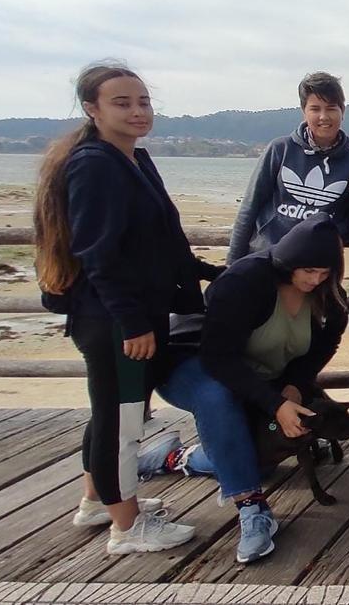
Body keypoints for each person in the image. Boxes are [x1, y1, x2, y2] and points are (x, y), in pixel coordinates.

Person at [33, 62, 219, 554]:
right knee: (122, 422)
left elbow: (164, 240)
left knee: (110, 413)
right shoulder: (93, 165)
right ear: (92, 109)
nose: (137, 111)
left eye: (143, 102)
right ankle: (127, 527)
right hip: (113, 319)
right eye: (122, 103)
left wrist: (210, 272)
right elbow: (99, 253)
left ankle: (96, 501)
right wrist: (133, 323)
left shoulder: (134, 159)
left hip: (135, 312)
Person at [149, 214, 349, 563]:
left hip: (253, 370)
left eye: (324, 273)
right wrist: (273, 404)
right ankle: (253, 511)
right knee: (217, 396)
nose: (315, 280)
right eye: (308, 271)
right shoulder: (245, 281)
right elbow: (218, 358)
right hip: (192, 360)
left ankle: (174, 457)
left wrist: (294, 389)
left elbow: (321, 348)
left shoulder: (327, 296)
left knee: (258, 458)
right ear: (290, 260)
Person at [227, 72, 349, 263]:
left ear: (342, 111)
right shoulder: (280, 149)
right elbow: (250, 207)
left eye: (331, 108)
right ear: (304, 111)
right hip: (268, 256)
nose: (324, 117)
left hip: (316, 265)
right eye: (315, 109)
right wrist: (231, 265)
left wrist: (335, 236)